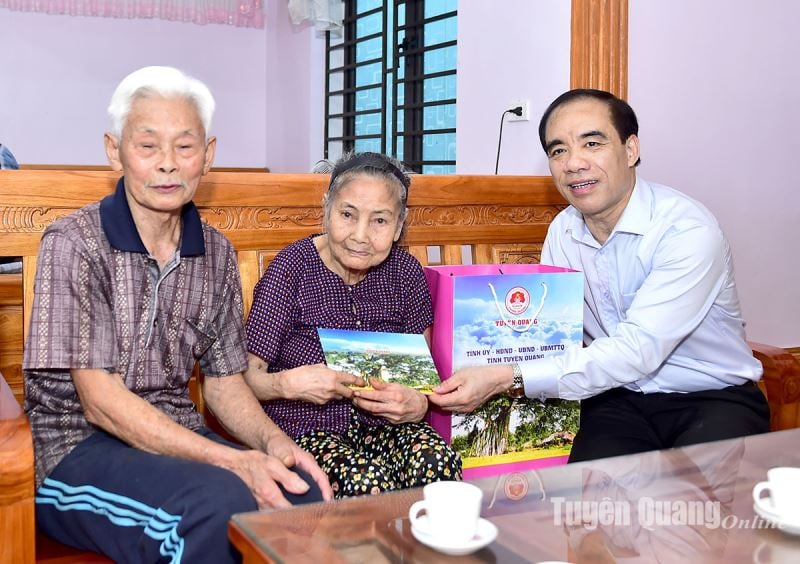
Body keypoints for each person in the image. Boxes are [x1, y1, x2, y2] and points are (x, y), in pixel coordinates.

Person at [23, 66, 331, 563]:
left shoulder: (215, 252)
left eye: (184, 147)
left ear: (207, 155)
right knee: (215, 504)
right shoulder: (76, 242)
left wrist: (276, 445)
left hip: (177, 438)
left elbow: (226, 383)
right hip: (72, 448)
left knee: (300, 492)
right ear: (114, 150)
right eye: (148, 146)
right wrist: (232, 460)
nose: (167, 164)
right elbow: (99, 401)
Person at [429, 89, 769, 462]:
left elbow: (637, 350)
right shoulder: (563, 231)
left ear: (630, 149)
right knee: (592, 503)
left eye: (592, 143)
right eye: (558, 151)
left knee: (695, 508)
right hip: (614, 396)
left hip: (710, 398)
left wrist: (503, 376)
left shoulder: (685, 230)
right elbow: (554, 334)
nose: (573, 163)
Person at [244, 151, 461, 498]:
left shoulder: (405, 272)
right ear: (326, 208)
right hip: (306, 428)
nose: (360, 235)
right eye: (348, 214)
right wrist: (287, 384)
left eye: (379, 221)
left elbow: (423, 380)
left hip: (387, 427)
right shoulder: (291, 269)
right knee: (366, 483)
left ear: (399, 225)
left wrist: (418, 404)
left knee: (437, 462)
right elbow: (245, 379)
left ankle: (431, 551)